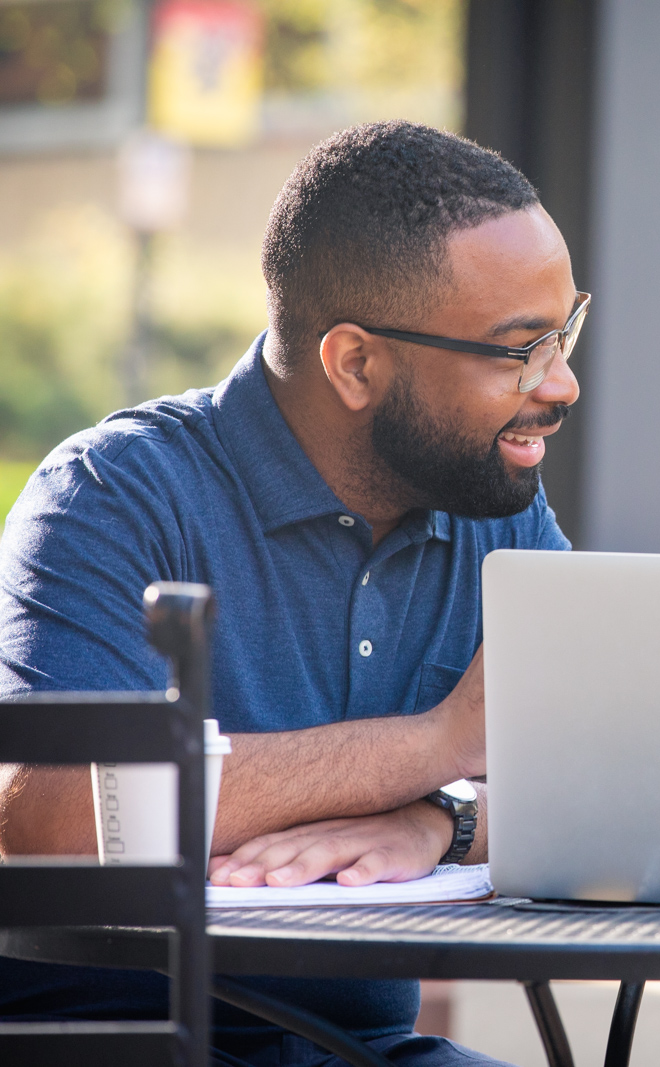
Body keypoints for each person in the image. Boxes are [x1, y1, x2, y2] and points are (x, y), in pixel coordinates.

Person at [0, 121, 584, 1066]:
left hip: (360, 1048)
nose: (561, 382)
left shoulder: (494, 504)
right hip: (107, 1043)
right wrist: (440, 741)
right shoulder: (115, 496)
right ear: (355, 362)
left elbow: (610, 780)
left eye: (565, 331)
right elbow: (60, 817)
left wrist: (440, 819)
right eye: (517, 350)